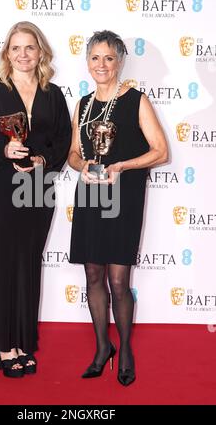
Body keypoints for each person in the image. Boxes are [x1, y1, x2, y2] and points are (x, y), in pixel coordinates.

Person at [0, 21, 71, 378]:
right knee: (1, 265)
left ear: (40, 52)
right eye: (16, 48)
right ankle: (5, 346)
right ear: (6, 53)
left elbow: (63, 140)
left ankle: (24, 341)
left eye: (30, 47)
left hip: (37, 189)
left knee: (27, 263)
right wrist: (4, 148)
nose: (23, 54)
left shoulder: (53, 94)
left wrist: (42, 159)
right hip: (0, 189)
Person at [68, 30, 168, 386]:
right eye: (95, 57)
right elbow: (72, 155)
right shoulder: (82, 104)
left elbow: (161, 151)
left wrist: (121, 166)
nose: (102, 64)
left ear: (120, 60)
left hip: (123, 199)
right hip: (91, 197)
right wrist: (85, 168)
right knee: (92, 275)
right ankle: (101, 348)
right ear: (87, 62)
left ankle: (124, 349)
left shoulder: (136, 100)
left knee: (118, 280)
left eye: (109, 57)